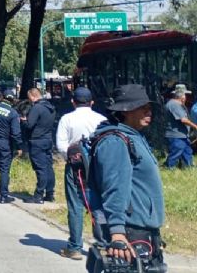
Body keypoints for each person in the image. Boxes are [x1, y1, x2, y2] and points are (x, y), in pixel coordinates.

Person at [87, 84, 166, 273]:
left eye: (149, 106)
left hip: (142, 230)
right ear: (125, 111)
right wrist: (117, 232)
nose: (149, 111)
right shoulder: (115, 141)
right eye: (142, 107)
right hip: (130, 231)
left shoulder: (132, 136)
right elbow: (113, 187)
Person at [55, 86, 107, 260]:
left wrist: (70, 158)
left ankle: (75, 247)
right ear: (92, 102)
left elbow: (61, 144)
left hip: (75, 166)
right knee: (97, 204)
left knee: (76, 205)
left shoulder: (67, 119)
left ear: (73, 102)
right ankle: (102, 245)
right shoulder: (101, 119)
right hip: (98, 165)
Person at [22, 87, 56, 204]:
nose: (29, 100)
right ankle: (50, 193)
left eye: (29, 98)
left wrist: (23, 120)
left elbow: (29, 125)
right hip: (48, 139)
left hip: (37, 141)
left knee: (40, 168)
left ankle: (38, 195)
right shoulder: (51, 108)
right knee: (48, 167)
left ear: (32, 96)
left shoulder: (36, 108)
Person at [164, 84, 197, 168]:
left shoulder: (177, 105)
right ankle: (169, 167)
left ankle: (188, 166)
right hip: (176, 135)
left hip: (182, 135)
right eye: (185, 95)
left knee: (187, 151)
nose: (186, 97)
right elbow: (183, 120)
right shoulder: (174, 104)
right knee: (176, 152)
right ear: (182, 96)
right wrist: (195, 126)